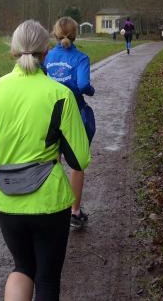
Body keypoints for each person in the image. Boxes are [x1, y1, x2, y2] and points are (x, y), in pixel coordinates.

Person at [0, 20, 91, 301]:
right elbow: (79, 159)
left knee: (22, 267)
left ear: (13, 51)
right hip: (49, 201)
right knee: (47, 278)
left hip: (6, 198)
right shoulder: (61, 94)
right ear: (46, 52)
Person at [44, 17, 95, 230]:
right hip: (73, 114)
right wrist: (90, 90)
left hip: (49, 114)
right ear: (75, 34)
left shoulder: (47, 56)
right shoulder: (81, 58)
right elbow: (83, 85)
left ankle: (51, 208)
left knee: (51, 160)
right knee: (77, 161)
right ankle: (74, 212)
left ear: (55, 34)